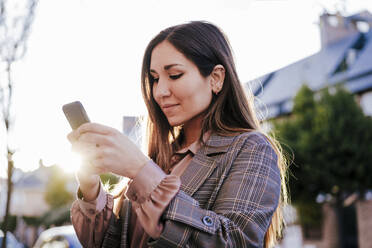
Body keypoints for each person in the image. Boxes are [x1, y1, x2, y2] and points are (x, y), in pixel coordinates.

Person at [68, 21, 288, 248]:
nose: (160, 92)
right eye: (154, 79)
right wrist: (90, 186)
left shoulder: (251, 149)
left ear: (216, 78)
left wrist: (143, 172)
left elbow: (235, 242)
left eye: (174, 75)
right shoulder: (160, 158)